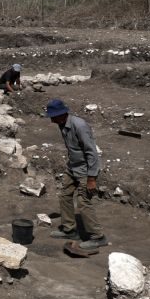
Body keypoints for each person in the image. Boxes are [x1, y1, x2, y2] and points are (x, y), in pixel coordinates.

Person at [46, 98, 108, 250]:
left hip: (86, 170)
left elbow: (91, 152)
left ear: (61, 114)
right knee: (65, 195)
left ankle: (98, 236)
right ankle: (69, 229)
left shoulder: (79, 126)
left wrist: (91, 178)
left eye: (53, 116)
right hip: (73, 167)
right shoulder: (62, 124)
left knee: (84, 202)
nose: (51, 120)